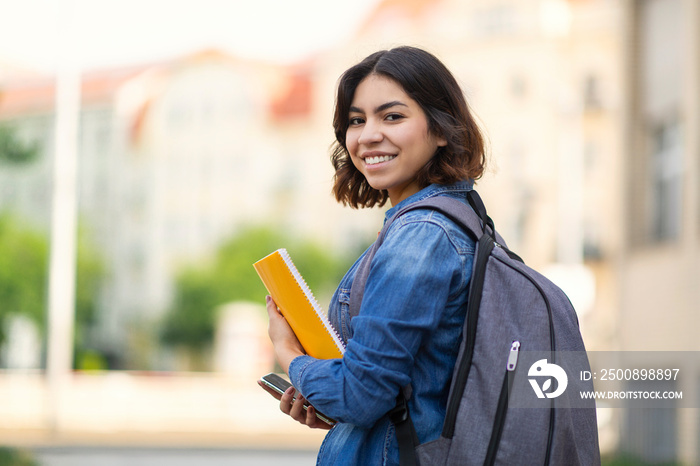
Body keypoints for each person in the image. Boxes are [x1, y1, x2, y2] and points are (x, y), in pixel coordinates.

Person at [262, 46, 486, 465]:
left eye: (393, 116)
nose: (367, 135)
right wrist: (333, 407)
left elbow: (361, 395)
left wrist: (289, 355)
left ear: (441, 129)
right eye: (356, 120)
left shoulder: (420, 236)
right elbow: (397, 395)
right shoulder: (457, 221)